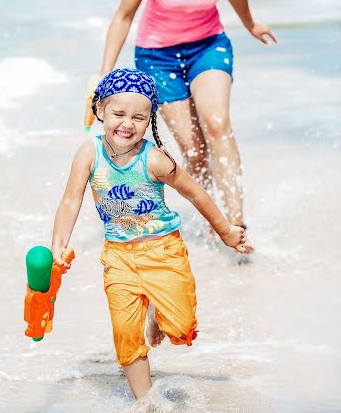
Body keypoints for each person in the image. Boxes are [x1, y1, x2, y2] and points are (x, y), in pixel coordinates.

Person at [98, 0, 277, 250]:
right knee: (194, 150)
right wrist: (104, 76)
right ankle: (212, 216)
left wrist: (251, 24)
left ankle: (237, 224)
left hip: (208, 45)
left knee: (216, 123)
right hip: (156, 57)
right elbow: (123, 15)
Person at [52, 68, 247, 401]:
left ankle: (158, 313)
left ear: (149, 121)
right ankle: (146, 403)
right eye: (119, 113)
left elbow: (196, 193)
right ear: (100, 111)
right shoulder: (89, 154)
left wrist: (226, 230)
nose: (127, 123)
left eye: (139, 117)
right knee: (126, 334)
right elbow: (71, 198)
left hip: (164, 253)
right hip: (118, 256)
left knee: (182, 328)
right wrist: (58, 242)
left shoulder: (155, 160)